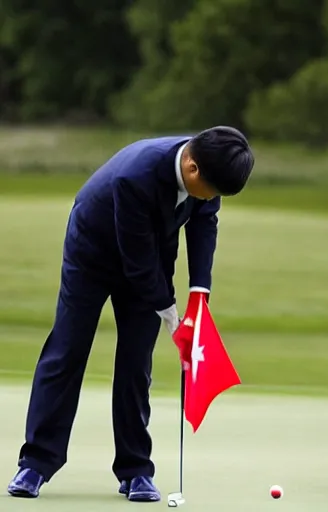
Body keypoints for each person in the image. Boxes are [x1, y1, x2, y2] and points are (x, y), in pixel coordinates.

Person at [6, 126, 255, 502]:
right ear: (191, 168)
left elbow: (204, 224)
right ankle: (36, 463)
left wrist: (199, 296)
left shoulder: (212, 165)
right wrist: (173, 320)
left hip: (151, 255)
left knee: (136, 361)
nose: (212, 199)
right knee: (67, 350)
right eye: (212, 191)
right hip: (93, 250)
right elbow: (137, 262)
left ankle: (135, 470)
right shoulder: (135, 176)